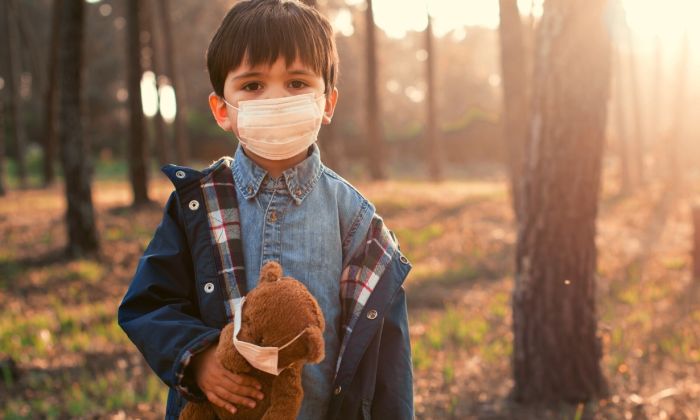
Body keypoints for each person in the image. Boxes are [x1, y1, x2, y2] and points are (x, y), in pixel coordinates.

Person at [117, 1, 413, 419]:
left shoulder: (356, 220)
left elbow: (388, 351)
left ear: (327, 103)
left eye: (296, 83)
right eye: (253, 86)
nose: (275, 99)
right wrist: (197, 359)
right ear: (223, 109)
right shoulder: (199, 206)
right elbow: (148, 304)